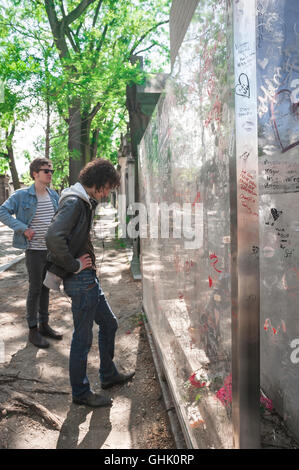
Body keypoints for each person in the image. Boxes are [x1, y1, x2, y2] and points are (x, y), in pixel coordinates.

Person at [45, 158, 134, 408]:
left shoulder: (81, 200)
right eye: (106, 187)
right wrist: (74, 265)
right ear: (96, 182)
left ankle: (107, 374)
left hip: (88, 279)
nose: (106, 193)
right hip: (80, 280)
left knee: (109, 324)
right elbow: (53, 237)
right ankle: (81, 393)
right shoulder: (75, 202)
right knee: (82, 339)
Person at [0, 157, 61, 348]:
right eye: (46, 171)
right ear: (35, 173)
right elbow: (2, 211)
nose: (50, 173)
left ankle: (44, 324)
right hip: (34, 251)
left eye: (51, 170)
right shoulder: (21, 195)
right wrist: (22, 228)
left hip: (51, 251)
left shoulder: (54, 196)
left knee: (46, 287)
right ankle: (33, 330)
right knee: (35, 288)